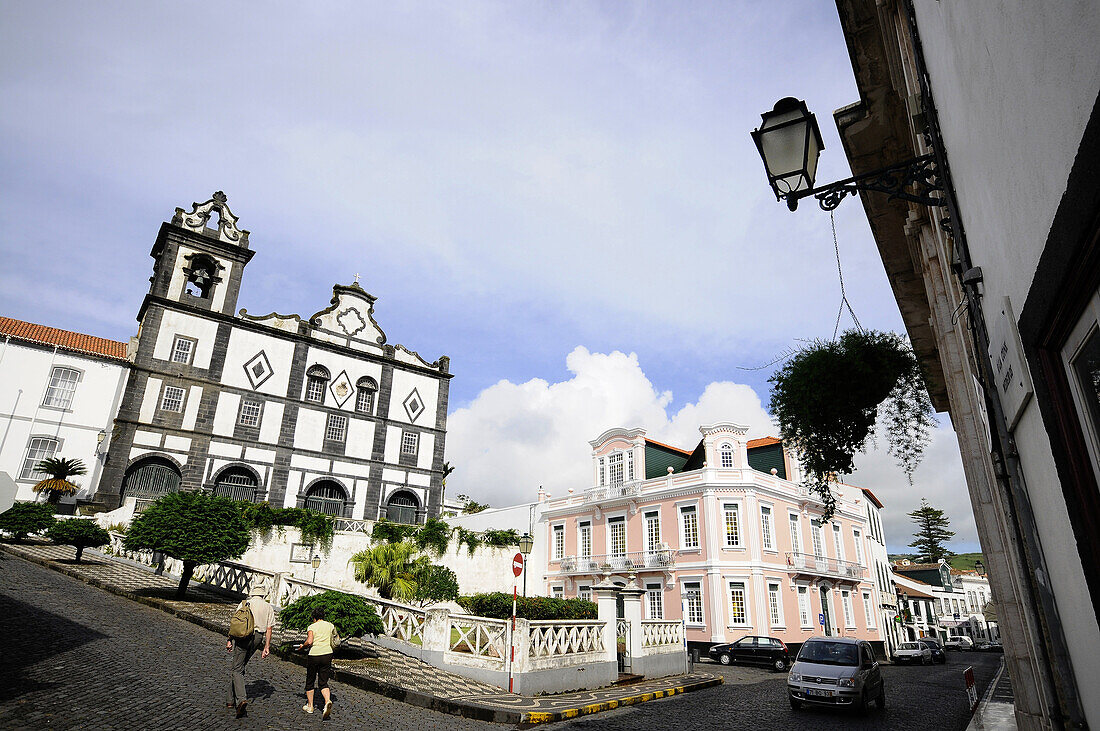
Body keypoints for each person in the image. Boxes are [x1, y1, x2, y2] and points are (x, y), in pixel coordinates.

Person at [226, 585, 276, 718]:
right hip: (258, 638)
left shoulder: (245, 603)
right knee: (239, 666)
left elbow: (235, 623)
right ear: (263, 595)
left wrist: (229, 639)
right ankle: (230, 700)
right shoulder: (268, 607)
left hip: (243, 636)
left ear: (252, 593)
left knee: (237, 668)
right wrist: (267, 647)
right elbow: (269, 629)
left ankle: (241, 699)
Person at [297, 607, 335, 719]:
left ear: (314, 617)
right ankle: (327, 701)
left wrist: (302, 646)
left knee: (310, 681)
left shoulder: (312, 627)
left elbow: (309, 641)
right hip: (328, 653)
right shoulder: (330, 625)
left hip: (314, 654)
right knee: (323, 682)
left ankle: (310, 706)